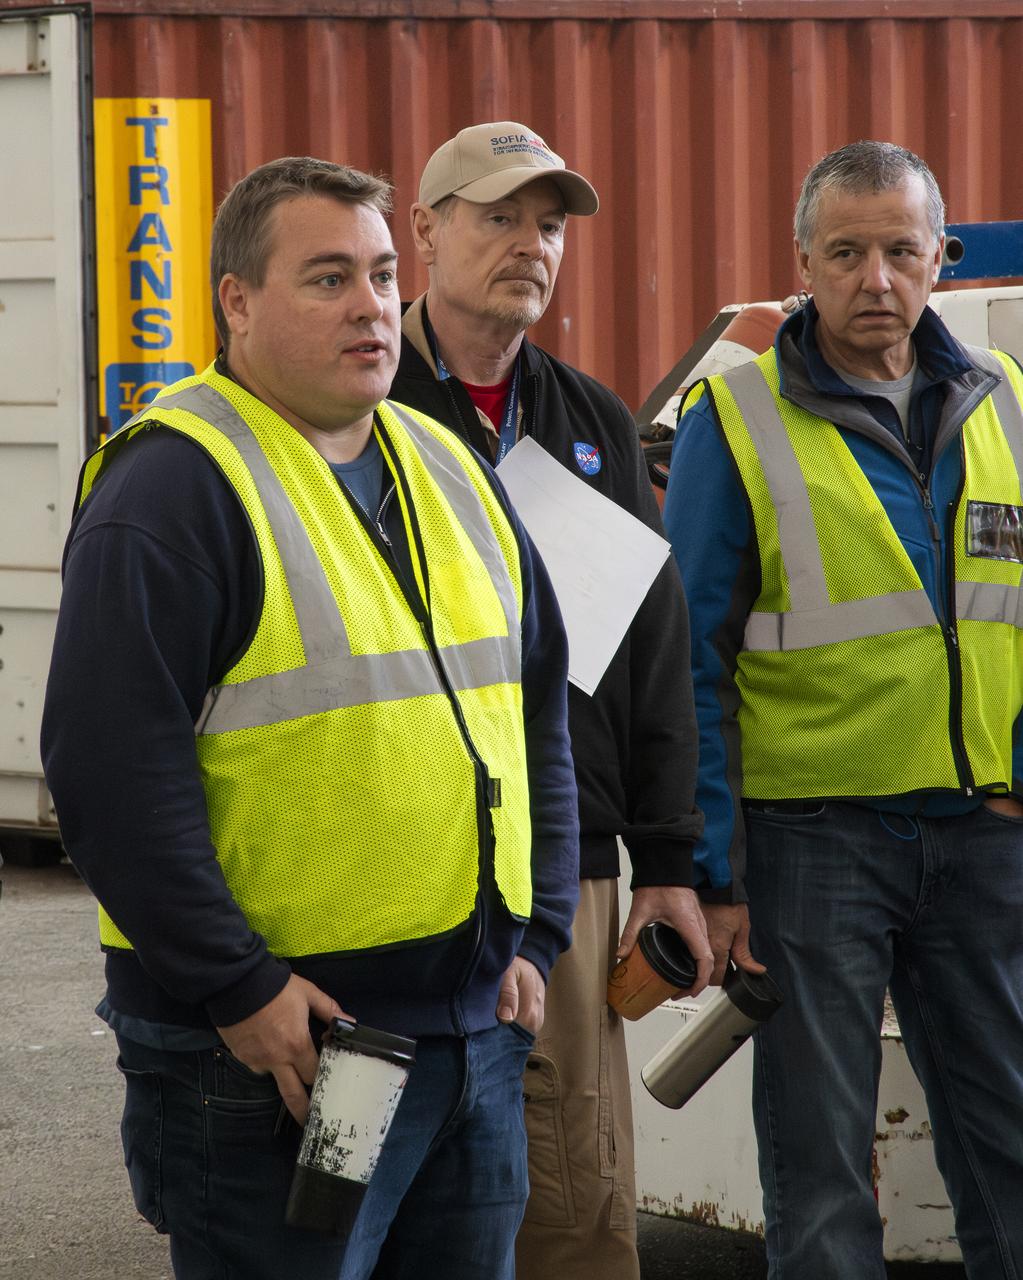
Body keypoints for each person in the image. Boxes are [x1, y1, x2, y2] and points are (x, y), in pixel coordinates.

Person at [40, 156, 581, 1280]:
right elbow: (108, 775)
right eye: (328, 278)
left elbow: (535, 710)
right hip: (289, 1054)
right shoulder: (175, 486)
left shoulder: (444, 463)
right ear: (236, 300)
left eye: (383, 275)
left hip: (470, 1040)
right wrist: (237, 984)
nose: (372, 305)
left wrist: (539, 928)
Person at [664, 140, 1023, 1278]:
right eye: (848, 252)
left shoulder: (1004, 401)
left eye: (902, 251)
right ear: (801, 264)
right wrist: (713, 873)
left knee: (1012, 1141)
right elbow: (691, 664)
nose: (878, 278)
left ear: (941, 256)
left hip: (986, 836)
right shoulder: (738, 417)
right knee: (820, 1170)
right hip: (816, 845)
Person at [389, 121, 713, 1280]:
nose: (531, 243)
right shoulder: (363, 410)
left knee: (572, 1170)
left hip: (563, 859)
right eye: (499, 215)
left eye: (551, 223)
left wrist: (669, 860)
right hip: (395, 851)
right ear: (422, 230)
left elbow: (652, 654)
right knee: (387, 1161)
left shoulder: (590, 422)